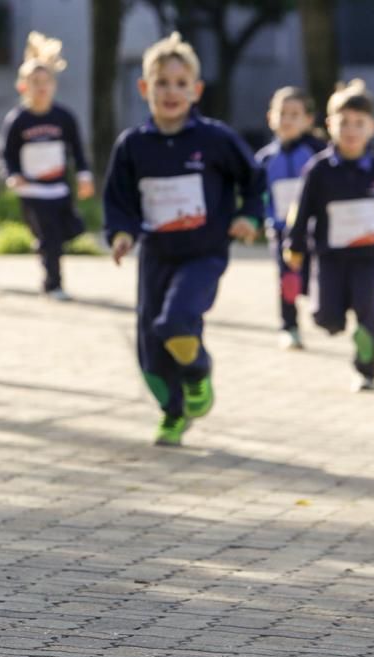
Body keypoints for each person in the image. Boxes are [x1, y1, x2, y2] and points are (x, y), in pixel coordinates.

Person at [103, 33, 264, 446]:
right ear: (144, 89)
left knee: (176, 322)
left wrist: (248, 215)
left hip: (203, 254)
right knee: (151, 343)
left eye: (180, 83)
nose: (171, 91)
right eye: (161, 82)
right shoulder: (133, 145)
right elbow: (118, 199)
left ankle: (197, 372)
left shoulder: (215, 139)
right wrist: (121, 233)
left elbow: (252, 179)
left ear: (196, 90)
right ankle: (173, 413)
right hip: (156, 256)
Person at [284, 79, 374, 392]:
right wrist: (293, 246)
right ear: (329, 125)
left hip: (368, 261)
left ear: (372, 127)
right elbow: (301, 211)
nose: (351, 130)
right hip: (330, 258)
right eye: (344, 122)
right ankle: (333, 321)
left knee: (368, 315)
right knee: (325, 316)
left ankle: (366, 370)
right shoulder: (318, 170)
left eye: (359, 123)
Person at [0, 32, 94, 301]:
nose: (41, 87)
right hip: (33, 192)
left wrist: (85, 176)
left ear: (54, 84)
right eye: (34, 82)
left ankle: (44, 248)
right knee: (51, 237)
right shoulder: (18, 120)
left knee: (72, 230)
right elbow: (6, 153)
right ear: (23, 86)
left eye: (46, 81)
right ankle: (53, 283)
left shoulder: (64, 118)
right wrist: (13, 176)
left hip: (59, 189)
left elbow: (77, 150)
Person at [254, 87, 326, 350]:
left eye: (294, 114)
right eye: (282, 113)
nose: (287, 120)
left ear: (308, 120)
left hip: (313, 231)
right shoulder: (264, 159)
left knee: (312, 277)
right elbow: (257, 195)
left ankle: (324, 310)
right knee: (287, 280)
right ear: (270, 117)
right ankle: (289, 326)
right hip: (281, 231)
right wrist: (257, 220)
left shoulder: (318, 154)